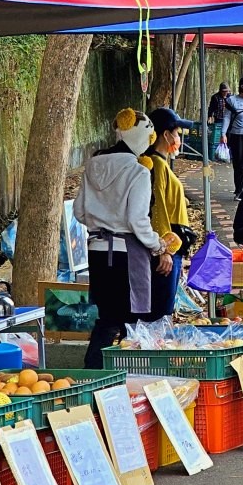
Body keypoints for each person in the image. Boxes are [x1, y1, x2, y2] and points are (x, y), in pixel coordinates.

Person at [78, 108, 173, 368]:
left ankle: (93, 373)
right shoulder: (138, 172)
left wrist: (103, 223)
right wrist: (158, 245)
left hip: (96, 251)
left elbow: (79, 211)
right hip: (125, 255)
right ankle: (128, 379)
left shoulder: (93, 164)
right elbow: (137, 221)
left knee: (107, 318)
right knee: (130, 321)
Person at [140, 107, 196, 321]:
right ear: (165, 135)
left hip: (173, 246)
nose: (179, 138)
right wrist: (164, 250)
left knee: (165, 306)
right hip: (166, 248)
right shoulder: (155, 165)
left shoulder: (162, 164)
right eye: (177, 133)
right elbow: (157, 208)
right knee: (160, 310)